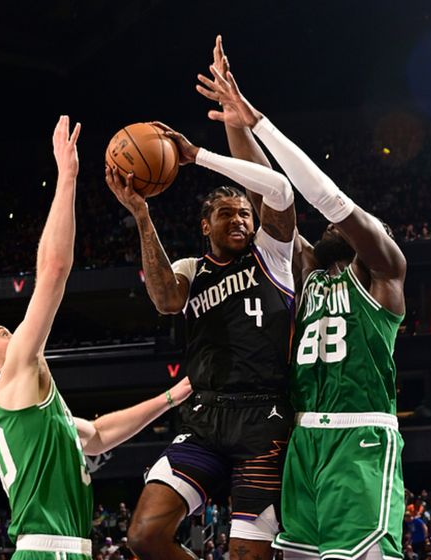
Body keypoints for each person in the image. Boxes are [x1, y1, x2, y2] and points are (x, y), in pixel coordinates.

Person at [197, 36, 407, 560]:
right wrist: (235, 122)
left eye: (357, 225)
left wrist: (260, 122)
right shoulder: (309, 271)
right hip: (303, 437)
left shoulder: (384, 274)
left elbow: (329, 200)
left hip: (360, 437)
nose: (339, 226)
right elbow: (265, 193)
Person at [0, 116, 192, 560]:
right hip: (51, 551)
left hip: (57, 549)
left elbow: (97, 434)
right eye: (3, 333)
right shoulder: (11, 376)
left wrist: (174, 395)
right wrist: (67, 176)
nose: (13, 333)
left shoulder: (28, 412)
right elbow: (53, 272)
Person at [105, 118, 297, 559]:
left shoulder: (272, 255)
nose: (239, 220)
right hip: (204, 419)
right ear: (205, 227)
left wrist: (197, 156)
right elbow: (165, 300)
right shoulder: (192, 270)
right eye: (226, 214)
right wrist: (142, 214)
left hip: (264, 420)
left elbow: (281, 190)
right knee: (144, 537)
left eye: (244, 213)